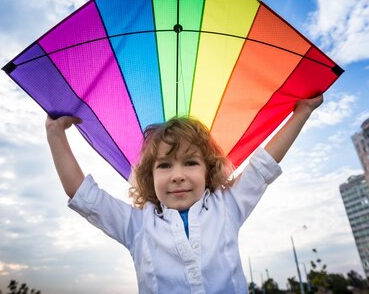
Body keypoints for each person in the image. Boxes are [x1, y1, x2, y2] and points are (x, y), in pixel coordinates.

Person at [46, 95, 323, 294]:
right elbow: (83, 195)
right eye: (164, 165)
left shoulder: (227, 206)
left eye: (190, 162)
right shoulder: (136, 225)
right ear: (149, 177)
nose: (177, 175)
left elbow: (263, 165)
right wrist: (55, 134)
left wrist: (302, 112)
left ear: (208, 170)